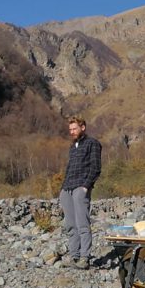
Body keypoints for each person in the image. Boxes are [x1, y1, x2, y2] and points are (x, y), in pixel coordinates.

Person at [59, 115, 102, 268]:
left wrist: (86, 186)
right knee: (70, 225)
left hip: (80, 188)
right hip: (67, 188)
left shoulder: (93, 143)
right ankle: (74, 256)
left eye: (74, 128)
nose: (72, 132)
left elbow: (96, 168)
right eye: (70, 129)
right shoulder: (73, 147)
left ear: (83, 127)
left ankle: (85, 258)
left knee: (82, 223)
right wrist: (63, 188)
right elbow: (70, 168)